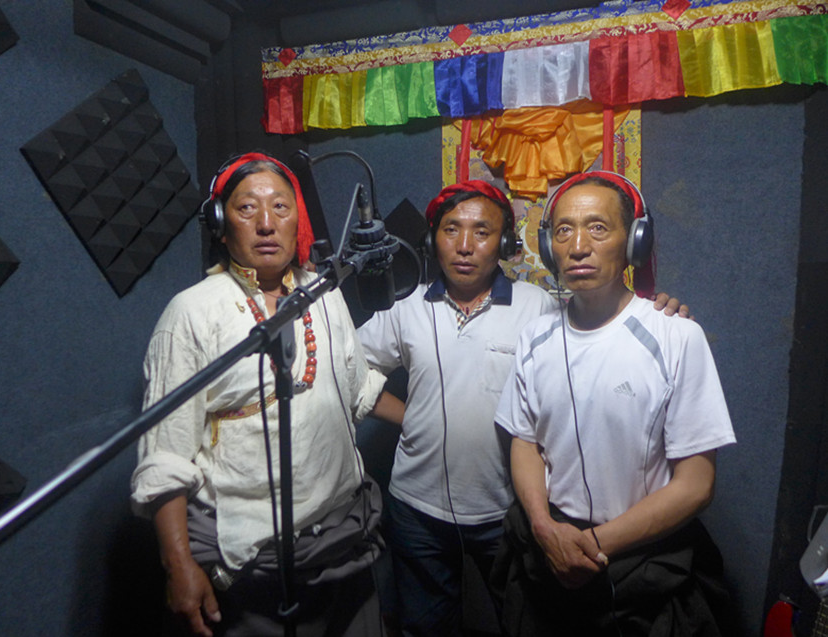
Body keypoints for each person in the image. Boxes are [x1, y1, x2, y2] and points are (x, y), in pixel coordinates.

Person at [357, 180, 688, 636]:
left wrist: (662, 314)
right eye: (451, 230)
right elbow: (347, 366)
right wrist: (408, 416)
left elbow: (599, 331)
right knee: (424, 626)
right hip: (415, 509)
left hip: (507, 511)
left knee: (524, 623)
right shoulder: (404, 306)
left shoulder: (540, 308)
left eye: (482, 232)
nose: (465, 246)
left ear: (506, 244)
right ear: (432, 241)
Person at [131, 152, 401, 637]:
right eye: (246, 208)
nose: (265, 223)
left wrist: (428, 421)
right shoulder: (190, 313)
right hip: (251, 558)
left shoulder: (325, 292)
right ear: (220, 224)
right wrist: (177, 564)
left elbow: (358, 389)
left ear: (298, 220)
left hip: (344, 539)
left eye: (280, 207)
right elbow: (165, 456)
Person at [492, 171, 736, 636]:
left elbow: (696, 484)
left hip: (638, 563)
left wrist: (590, 544)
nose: (578, 246)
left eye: (598, 228)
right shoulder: (535, 336)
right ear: (547, 247)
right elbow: (524, 441)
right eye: (563, 231)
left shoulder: (678, 337)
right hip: (549, 546)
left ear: (634, 241)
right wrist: (543, 528)